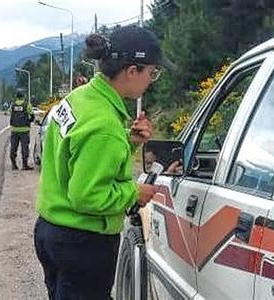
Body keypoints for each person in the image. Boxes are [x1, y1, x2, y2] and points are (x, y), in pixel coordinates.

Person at [34, 24, 172, 299]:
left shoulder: (80, 98)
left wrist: (128, 139)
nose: (151, 79)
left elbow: (75, 149)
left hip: (51, 231)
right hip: (82, 241)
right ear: (132, 71)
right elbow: (87, 196)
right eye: (152, 72)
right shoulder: (104, 126)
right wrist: (134, 193)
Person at [10, 91, 34, 170]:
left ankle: (14, 165)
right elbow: (32, 115)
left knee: (13, 147)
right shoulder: (27, 105)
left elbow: (9, 112)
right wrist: (29, 121)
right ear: (23, 97)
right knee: (24, 147)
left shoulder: (13, 105)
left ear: (16, 97)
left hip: (14, 129)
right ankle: (24, 165)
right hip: (24, 130)